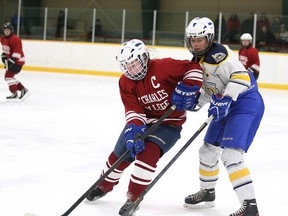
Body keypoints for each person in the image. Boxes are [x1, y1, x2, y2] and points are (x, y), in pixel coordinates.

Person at [85, 39, 203, 215]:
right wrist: (133, 131)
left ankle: (134, 197)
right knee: (120, 153)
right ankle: (104, 184)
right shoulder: (125, 82)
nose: (131, 70)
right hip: (144, 122)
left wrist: (189, 88)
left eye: (134, 64)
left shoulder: (164, 67)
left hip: (169, 124)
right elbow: (133, 109)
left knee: (147, 154)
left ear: (144, 57)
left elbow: (193, 68)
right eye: (127, 66)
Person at [183, 17, 264, 216]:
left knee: (231, 155)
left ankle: (250, 206)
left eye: (200, 39)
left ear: (209, 39)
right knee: (207, 151)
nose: (195, 43)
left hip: (244, 103)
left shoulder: (219, 55)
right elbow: (212, 89)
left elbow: (242, 77)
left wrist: (226, 98)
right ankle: (208, 192)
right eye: (192, 40)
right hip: (224, 104)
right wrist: (196, 103)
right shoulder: (199, 59)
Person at [1, 22, 29, 100]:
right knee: (8, 77)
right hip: (10, 60)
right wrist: (3, 55)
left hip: (18, 61)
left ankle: (23, 90)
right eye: (5, 30)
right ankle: (15, 93)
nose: (6, 31)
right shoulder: (2, 39)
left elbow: (18, 51)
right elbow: (6, 50)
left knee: (8, 77)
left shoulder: (16, 39)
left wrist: (12, 61)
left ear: (11, 30)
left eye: (8, 30)